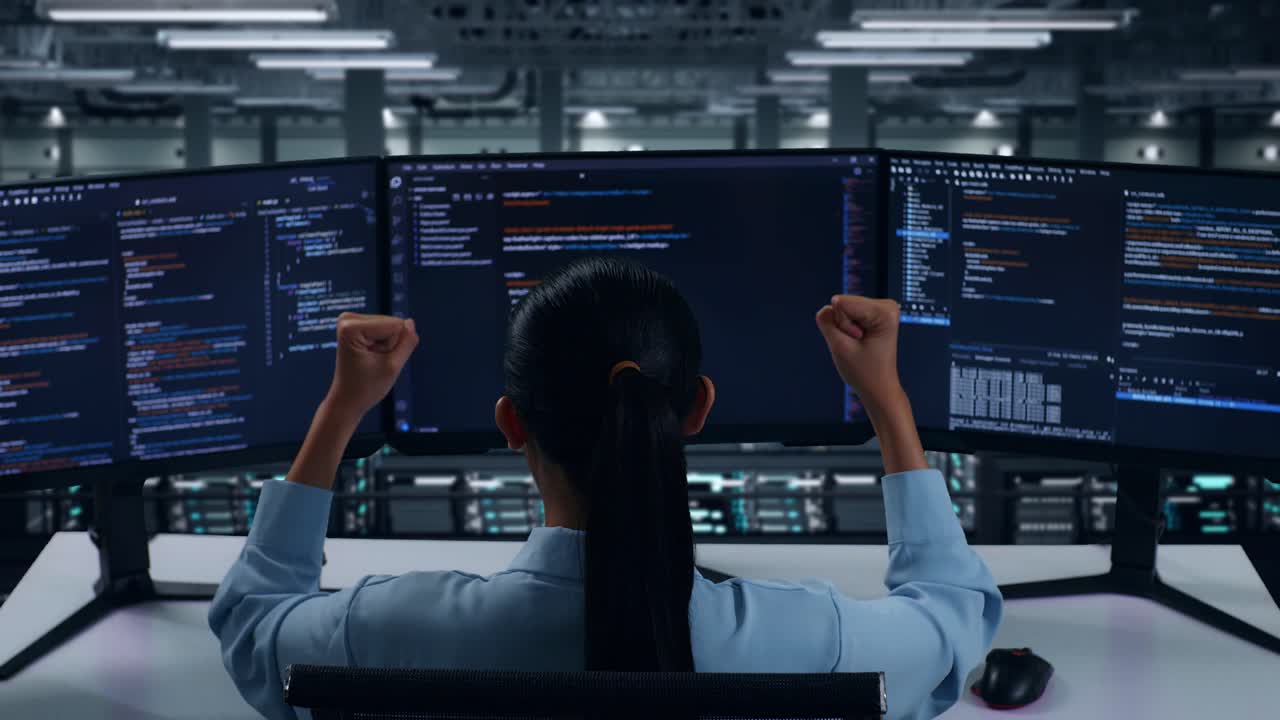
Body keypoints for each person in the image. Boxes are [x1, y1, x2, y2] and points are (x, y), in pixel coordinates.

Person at [210, 257, 1002, 720]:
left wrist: (341, 408)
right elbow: (953, 617)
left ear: (511, 423)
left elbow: (252, 625)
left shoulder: (384, 628)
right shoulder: (806, 640)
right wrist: (887, 403)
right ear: (696, 409)